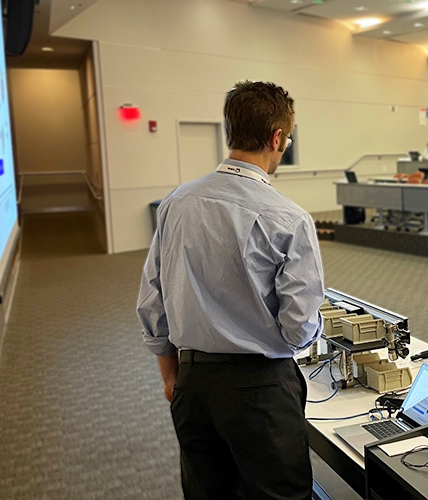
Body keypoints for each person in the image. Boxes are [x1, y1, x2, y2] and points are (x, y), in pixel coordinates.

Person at [137, 80, 322, 499]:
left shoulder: (176, 203)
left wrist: (173, 377)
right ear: (277, 138)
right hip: (261, 390)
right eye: (286, 139)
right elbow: (298, 328)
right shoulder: (289, 218)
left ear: (231, 132)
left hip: (193, 382)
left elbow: (152, 301)